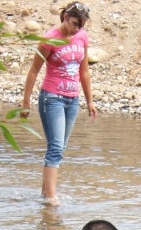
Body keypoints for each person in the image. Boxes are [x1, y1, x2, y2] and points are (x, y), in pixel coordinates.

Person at [20, 2, 97, 206]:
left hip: (72, 99)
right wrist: (26, 101)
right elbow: (34, 70)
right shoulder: (49, 39)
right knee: (55, 148)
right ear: (65, 18)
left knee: (59, 147)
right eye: (74, 24)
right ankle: (51, 199)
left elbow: (84, 71)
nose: (77, 29)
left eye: (81, 25)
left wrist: (90, 101)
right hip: (52, 98)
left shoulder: (82, 37)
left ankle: (45, 194)